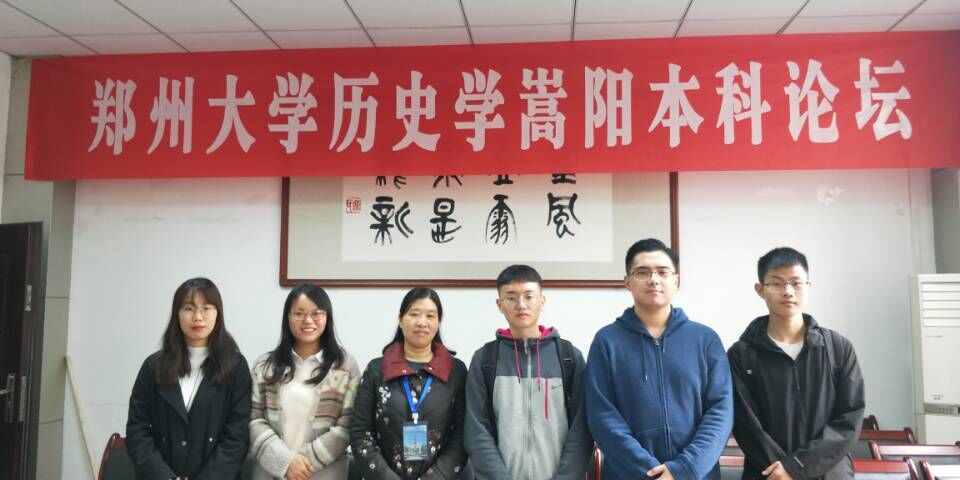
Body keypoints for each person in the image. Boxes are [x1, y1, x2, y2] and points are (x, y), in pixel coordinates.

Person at [586, 238, 732, 480]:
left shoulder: (705, 339)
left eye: (663, 272)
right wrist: (649, 473)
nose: (653, 279)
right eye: (642, 272)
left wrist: (683, 469)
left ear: (676, 280)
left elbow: (721, 412)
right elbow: (602, 416)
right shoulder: (606, 342)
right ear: (627, 282)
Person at [727, 247, 865, 480]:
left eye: (796, 283)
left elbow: (850, 418)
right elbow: (745, 424)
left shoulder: (837, 348)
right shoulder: (741, 355)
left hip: (830, 474)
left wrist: (796, 467)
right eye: (777, 283)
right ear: (760, 290)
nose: (788, 291)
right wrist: (782, 470)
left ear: (808, 287)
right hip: (769, 474)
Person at [464, 264, 592, 480]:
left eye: (529, 296)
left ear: (542, 301)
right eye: (511, 297)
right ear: (499, 304)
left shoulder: (569, 357)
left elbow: (582, 429)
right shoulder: (485, 359)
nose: (521, 304)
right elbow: (476, 430)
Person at [126, 277, 251, 480]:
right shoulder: (154, 366)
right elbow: (137, 429)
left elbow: (237, 434)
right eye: (189, 308)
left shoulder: (235, 366)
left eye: (206, 308)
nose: (198, 317)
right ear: (177, 314)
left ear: (218, 313)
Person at [351, 287, 467, 479]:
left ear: (438, 322)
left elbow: (462, 435)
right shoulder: (376, 370)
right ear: (400, 319)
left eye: (430, 316)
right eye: (414, 314)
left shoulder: (456, 371)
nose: (422, 322)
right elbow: (360, 433)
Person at [249, 284, 361, 480]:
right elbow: (254, 420)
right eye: (299, 313)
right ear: (288, 317)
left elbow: (347, 425)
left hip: (325, 474)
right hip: (270, 473)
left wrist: (301, 464)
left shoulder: (345, 367)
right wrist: (285, 462)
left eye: (316, 313)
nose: (308, 320)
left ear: (327, 317)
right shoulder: (265, 366)